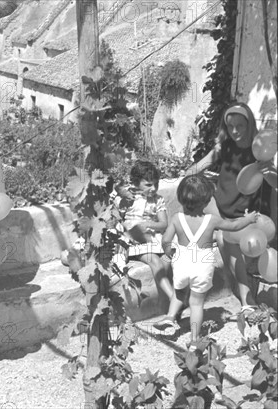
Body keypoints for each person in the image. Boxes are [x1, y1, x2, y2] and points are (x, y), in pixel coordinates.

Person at [184, 102, 273, 317]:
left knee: (228, 245)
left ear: (249, 124)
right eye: (230, 126)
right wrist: (195, 182)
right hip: (219, 207)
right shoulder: (224, 147)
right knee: (226, 245)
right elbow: (196, 168)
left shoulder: (258, 150)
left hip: (244, 213)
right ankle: (244, 297)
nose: (235, 131)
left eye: (240, 126)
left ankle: (245, 299)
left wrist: (266, 170)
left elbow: (272, 181)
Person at [155, 175, 259, 342]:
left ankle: (170, 316)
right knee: (196, 303)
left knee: (179, 292)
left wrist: (168, 251)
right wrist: (248, 219)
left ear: (181, 198)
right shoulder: (212, 220)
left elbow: (166, 240)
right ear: (205, 201)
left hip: (182, 262)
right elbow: (233, 226)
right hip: (202, 265)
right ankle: (195, 339)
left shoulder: (176, 219)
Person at [113, 161, 173, 301]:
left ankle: (171, 299)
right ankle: (173, 298)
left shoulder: (157, 200)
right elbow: (117, 220)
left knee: (164, 261)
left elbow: (164, 223)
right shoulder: (126, 198)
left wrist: (149, 224)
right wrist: (127, 233)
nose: (153, 188)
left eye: (156, 184)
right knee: (155, 261)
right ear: (136, 183)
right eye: (148, 185)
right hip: (131, 240)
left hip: (150, 238)